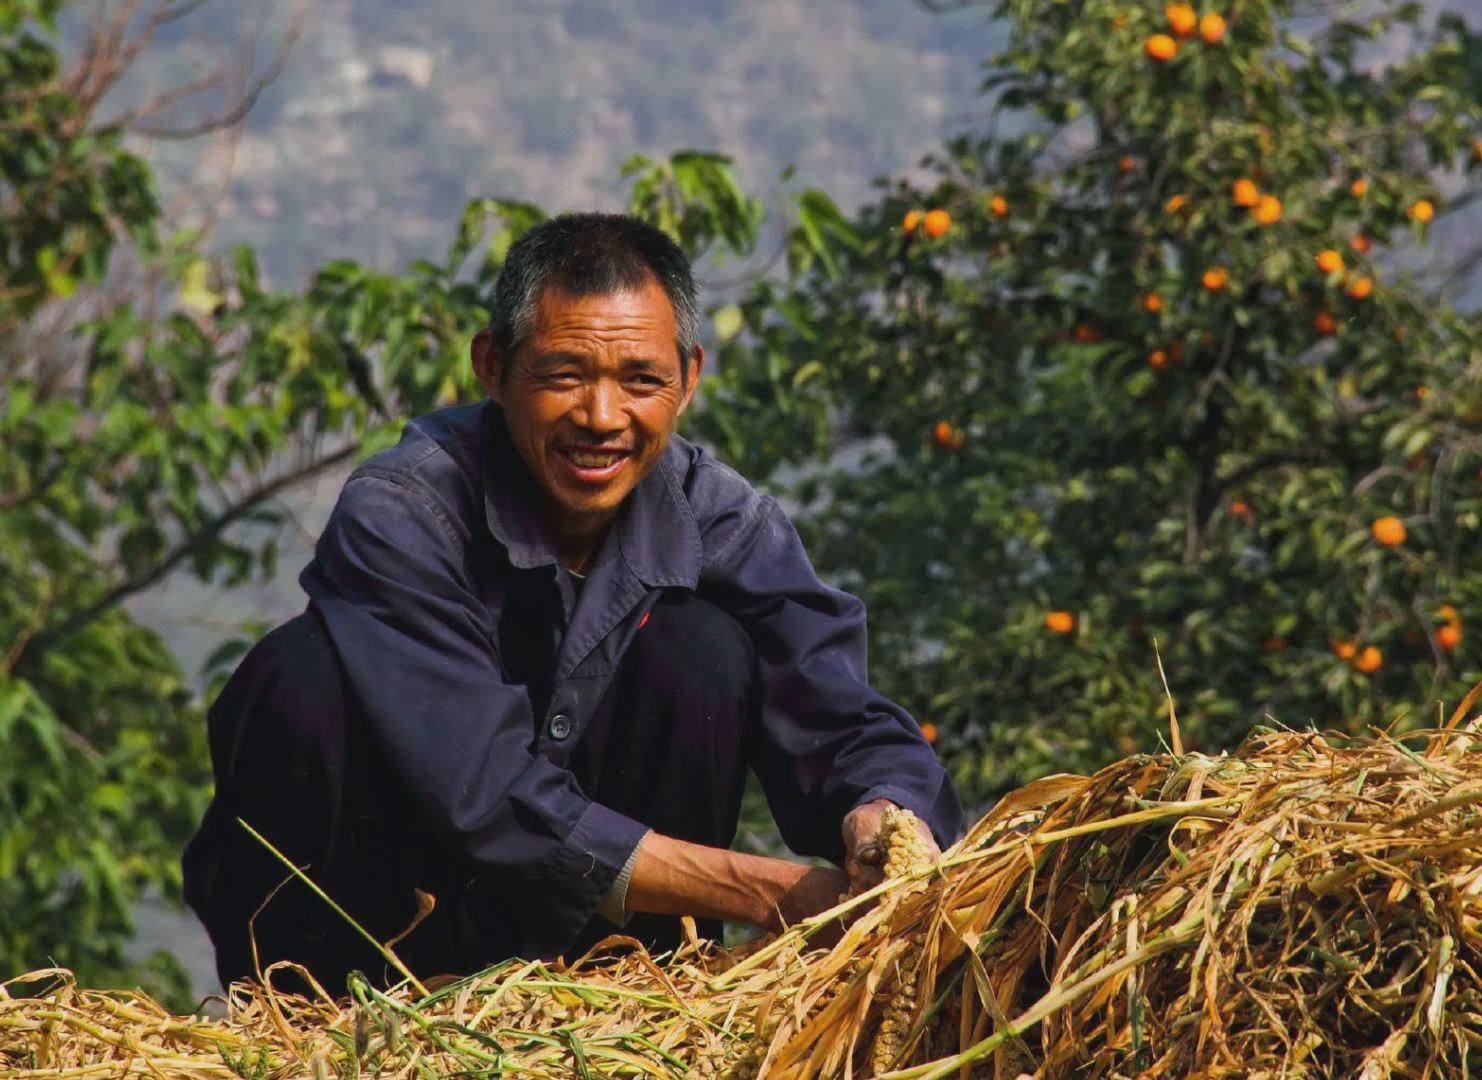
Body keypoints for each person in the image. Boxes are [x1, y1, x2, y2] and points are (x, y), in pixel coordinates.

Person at [181, 212, 962, 994]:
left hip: (603, 955)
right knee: (300, 675)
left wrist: (882, 820)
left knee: (703, 648)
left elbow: (837, 709)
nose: (600, 416)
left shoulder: (720, 518)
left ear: (688, 380)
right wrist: (771, 893)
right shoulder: (405, 511)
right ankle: (304, 1006)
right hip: (388, 941)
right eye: (564, 374)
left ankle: (646, 988)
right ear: (492, 367)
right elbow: (485, 798)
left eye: (640, 381)